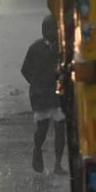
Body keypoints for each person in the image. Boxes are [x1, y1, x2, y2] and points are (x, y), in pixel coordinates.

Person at [22, 15, 66, 175]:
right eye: (48, 28)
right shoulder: (35, 48)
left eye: (54, 28)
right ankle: (37, 150)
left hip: (57, 95)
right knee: (43, 128)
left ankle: (58, 164)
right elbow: (25, 70)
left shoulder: (63, 47)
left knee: (61, 129)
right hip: (41, 94)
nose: (51, 32)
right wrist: (36, 83)